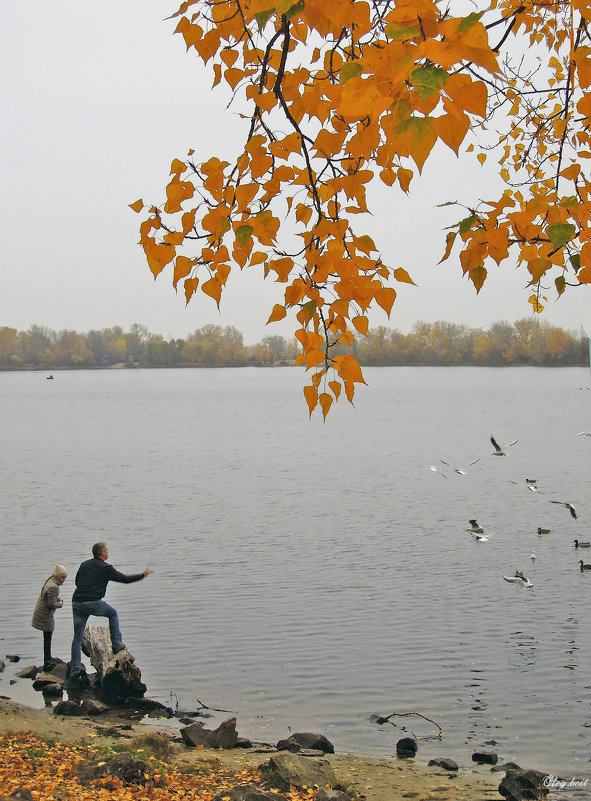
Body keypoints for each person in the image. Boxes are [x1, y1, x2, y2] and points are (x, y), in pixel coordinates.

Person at [68, 542, 152, 686]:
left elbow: (77, 582)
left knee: (77, 638)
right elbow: (125, 579)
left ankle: (75, 671)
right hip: (92, 602)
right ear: (102, 553)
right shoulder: (106, 568)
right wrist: (142, 575)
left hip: (77, 602)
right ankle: (116, 644)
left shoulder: (84, 564)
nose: (108, 552)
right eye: (106, 550)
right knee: (112, 614)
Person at [31, 565, 68, 672]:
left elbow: (49, 598)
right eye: (62, 578)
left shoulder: (50, 582)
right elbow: (51, 604)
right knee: (47, 638)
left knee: (46, 637)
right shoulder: (54, 587)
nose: (64, 580)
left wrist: (57, 599)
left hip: (40, 613)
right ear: (57, 577)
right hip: (45, 615)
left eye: (65, 578)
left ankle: (47, 659)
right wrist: (60, 603)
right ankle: (47, 661)